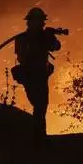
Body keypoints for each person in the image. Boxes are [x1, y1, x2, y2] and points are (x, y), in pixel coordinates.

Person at [13, 7, 63, 142]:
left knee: (41, 105)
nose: (42, 24)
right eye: (39, 21)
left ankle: (39, 136)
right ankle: (38, 137)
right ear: (31, 22)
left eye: (42, 21)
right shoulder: (22, 39)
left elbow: (56, 47)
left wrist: (49, 36)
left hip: (41, 75)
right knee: (39, 104)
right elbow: (21, 58)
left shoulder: (45, 37)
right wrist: (36, 43)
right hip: (30, 76)